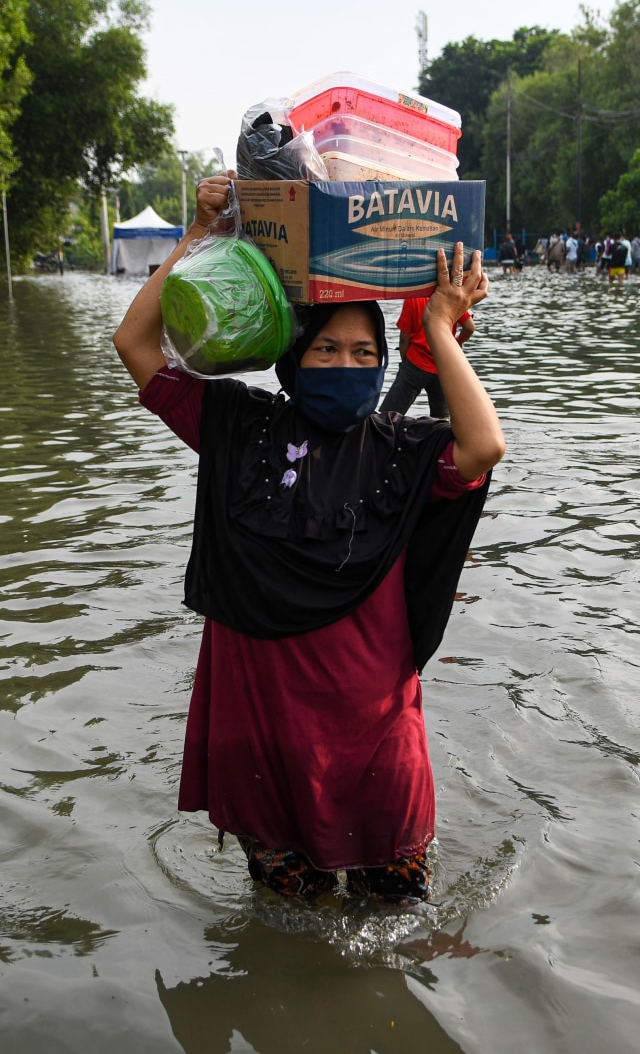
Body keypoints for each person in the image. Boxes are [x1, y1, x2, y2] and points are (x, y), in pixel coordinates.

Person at [113, 173, 505, 905]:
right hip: (267, 732)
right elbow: (135, 341)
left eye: (365, 354)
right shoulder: (237, 426)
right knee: (286, 912)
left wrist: (442, 333)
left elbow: (484, 445)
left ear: (385, 362)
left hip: (374, 732)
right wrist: (198, 240)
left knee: (396, 913)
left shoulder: (401, 446)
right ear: (293, 360)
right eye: (327, 351)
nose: (348, 366)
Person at [379, 297, 476, 418]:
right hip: (442, 367)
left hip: (415, 364)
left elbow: (404, 338)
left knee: (387, 416)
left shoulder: (414, 298)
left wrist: (405, 362)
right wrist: (456, 343)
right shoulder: (452, 297)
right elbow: (469, 327)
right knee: (441, 421)